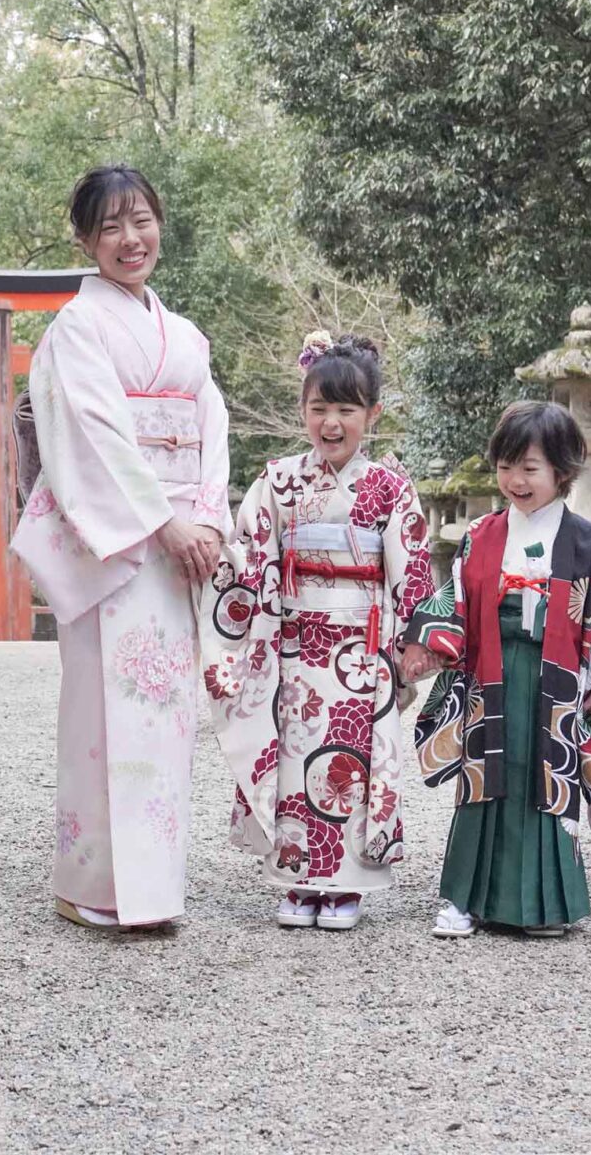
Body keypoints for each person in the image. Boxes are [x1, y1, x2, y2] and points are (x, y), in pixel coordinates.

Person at [10, 163, 230, 930]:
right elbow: (92, 433)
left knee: (167, 719)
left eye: (141, 220)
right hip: (120, 545)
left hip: (178, 548)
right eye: (110, 227)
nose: (131, 239)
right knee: (102, 715)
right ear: (85, 240)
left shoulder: (188, 338)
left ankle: (155, 890)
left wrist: (205, 519)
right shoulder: (79, 327)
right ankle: (92, 884)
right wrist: (162, 524)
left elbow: (213, 429)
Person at [202, 332, 435, 931]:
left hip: (361, 650)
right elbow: (249, 554)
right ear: (302, 411)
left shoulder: (389, 488)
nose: (332, 423)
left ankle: (348, 884)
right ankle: (297, 875)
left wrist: (413, 646)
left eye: (346, 410)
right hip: (296, 647)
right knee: (294, 757)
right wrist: (232, 589)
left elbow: (409, 569)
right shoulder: (279, 481)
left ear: (372, 415)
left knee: (353, 761)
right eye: (319, 409)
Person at [400, 401, 591, 939]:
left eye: (530, 468)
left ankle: (545, 905)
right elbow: (454, 600)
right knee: (483, 779)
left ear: (563, 470)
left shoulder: (588, 541)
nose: (516, 479)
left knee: (548, 780)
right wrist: (427, 646)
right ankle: (464, 898)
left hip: (556, 675)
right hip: (490, 670)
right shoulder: (482, 533)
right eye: (507, 466)